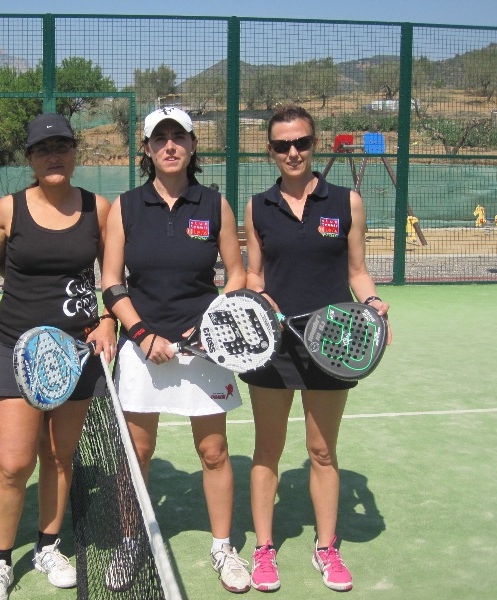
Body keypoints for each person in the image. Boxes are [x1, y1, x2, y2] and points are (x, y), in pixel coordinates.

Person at [239, 104, 392, 593]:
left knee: (322, 452)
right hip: (275, 347)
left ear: (314, 143)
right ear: (270, 151)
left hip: (335, 343)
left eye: (301, 142)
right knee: (267, 450)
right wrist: (257, 294)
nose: (293, 152)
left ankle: (327, 548)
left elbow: (356, 271)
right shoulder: (258, 206)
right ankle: (263, 549)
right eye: (282, 145)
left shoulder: (347, 201)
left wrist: (370, 299)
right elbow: (255, 274)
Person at [100, 107, 251, 594]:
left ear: (191, 146)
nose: (170, 145)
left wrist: (215, 325)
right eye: (159, 138)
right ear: (146, 149)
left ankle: (223, 547)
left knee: (213, 451)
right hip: (141, 348)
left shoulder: (216, 205)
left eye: (178, 137)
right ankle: (129, 542)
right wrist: (142, 335)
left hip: (205, 352)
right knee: (137, 452)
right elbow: (111, 281)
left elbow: (237, 273)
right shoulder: (124, 207)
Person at [0, 113, 116, 600]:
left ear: (76, 152)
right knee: (13, 465)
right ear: (30, 159)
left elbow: (115, 274)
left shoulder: (100, 209)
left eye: (62, 146)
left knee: (60, 457)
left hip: (77, 354)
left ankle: (48, 546)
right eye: (43, 149)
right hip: (17, 350)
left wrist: (108, 319)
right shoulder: (8, 209)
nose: (53, 155)